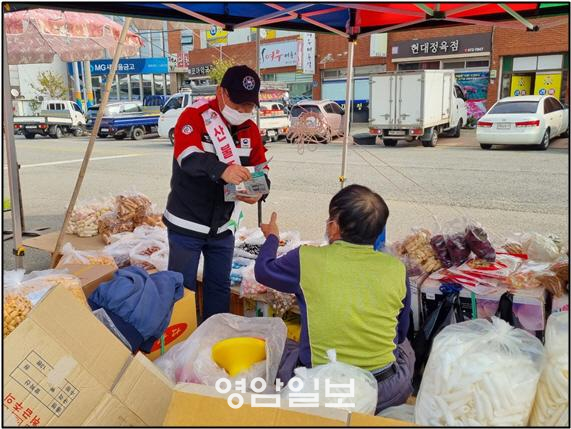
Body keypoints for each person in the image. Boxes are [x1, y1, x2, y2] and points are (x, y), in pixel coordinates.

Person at [254, 185, 414, 414]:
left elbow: (263, 270)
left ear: (334, 226)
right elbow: (401, 332)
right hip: (384, 389)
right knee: (405, 347)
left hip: (321, 386)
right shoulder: (397, 268)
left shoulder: (306, 258)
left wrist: (272, 237)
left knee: (285, 348)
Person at [164, 65, 269, 321]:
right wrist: (222, 170)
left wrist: (259, 191)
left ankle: (215, 336)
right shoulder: (195, 116)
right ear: (221, 92)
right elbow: (188, 157)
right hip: (187, 223)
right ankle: (182, 338)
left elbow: (261, 170)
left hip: (223, 226)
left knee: (219, 287)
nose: (242, 110)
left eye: (249, 105)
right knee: (181, 290)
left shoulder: (250, 129)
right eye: (238, 103)